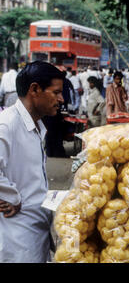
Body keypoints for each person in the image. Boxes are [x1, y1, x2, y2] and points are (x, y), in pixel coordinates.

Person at [0, 61, 64, 262]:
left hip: (36, 234)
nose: (61, 99)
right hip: (18, 240)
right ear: (35, 89)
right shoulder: (7, 124)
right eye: (56, 92)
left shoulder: (35, 126)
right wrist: (12, 197)